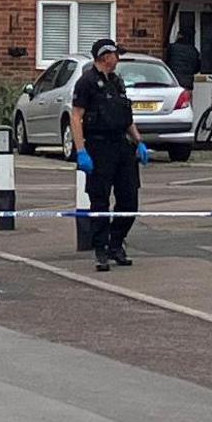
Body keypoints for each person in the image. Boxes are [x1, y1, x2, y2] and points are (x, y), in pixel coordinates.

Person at [72, 39, 150, 271]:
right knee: (100, 200)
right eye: (116, 54)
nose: (118, 58)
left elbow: (126, 117)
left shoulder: (117, 82)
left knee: (129, 199)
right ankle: (100, 250)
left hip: (122, 146)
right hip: (98, 147)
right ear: (105, 56)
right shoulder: (86, 83)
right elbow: (76, 117)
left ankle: (116, 243)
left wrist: (139, 141)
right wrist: (81, 151)